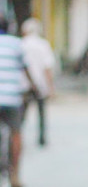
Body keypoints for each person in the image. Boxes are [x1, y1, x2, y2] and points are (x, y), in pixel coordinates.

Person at [0, 15, 31, 187]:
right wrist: (35, 87)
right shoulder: (16, 44)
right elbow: (25, 69)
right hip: (12, 98)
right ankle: (15, 176)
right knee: (16, 134)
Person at [21, 17, 55, 147]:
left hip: (23, 84)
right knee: (41, 112)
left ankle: (18, 135)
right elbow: (47, 68)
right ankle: (42, 138)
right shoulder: (43, 44)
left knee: (22, 113)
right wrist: (51, 87)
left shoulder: (21, 44)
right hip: (40, 84)